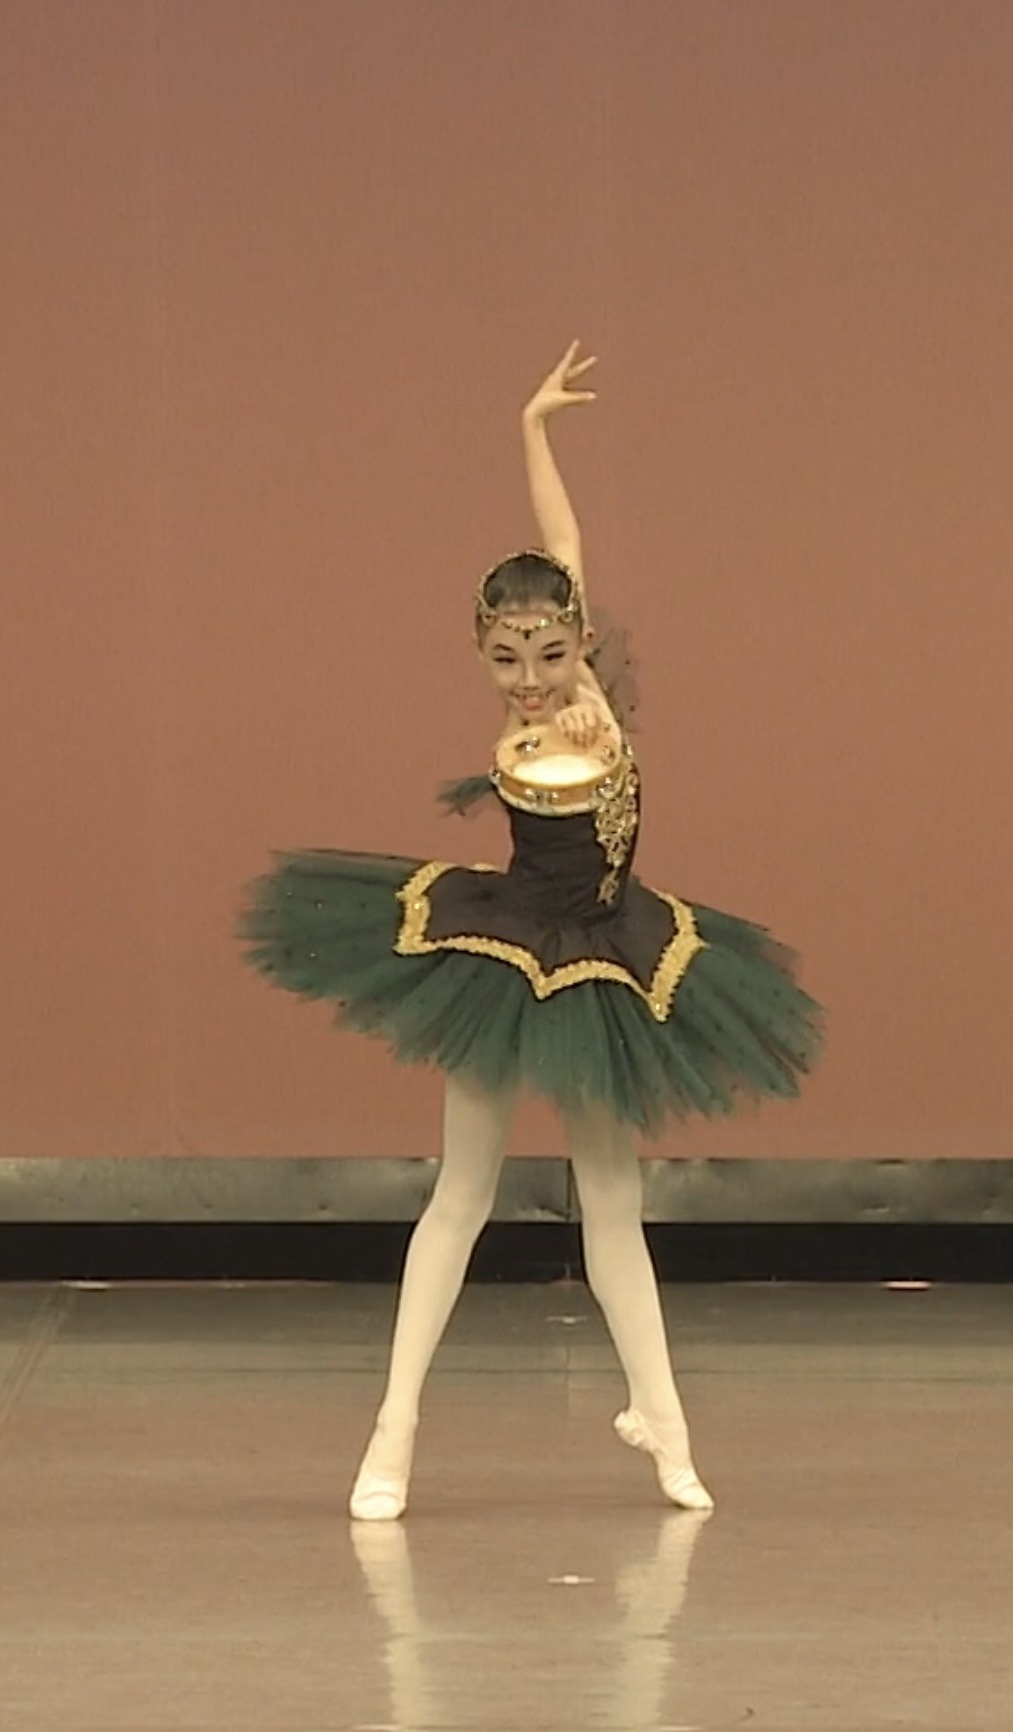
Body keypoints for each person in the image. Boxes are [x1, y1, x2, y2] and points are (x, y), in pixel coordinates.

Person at [237, 342, 824, 1522]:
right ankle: (392, 1431)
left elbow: (562, 544)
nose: (527, 678)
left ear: (579, 642)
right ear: (480, 652)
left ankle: (663, 1423)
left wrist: (532, 430)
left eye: (549, 655)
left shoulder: (588, 695)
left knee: (611, 1201)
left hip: (603, 956)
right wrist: (524, 430)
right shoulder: (531, 709)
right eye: (505, 660)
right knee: (460, 1193)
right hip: (509, 959)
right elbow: (551, 577)